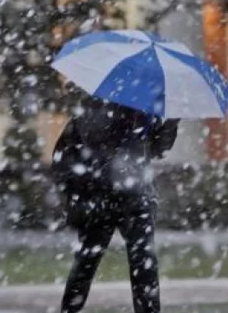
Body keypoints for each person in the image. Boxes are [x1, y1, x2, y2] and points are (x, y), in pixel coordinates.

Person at [53, 97, 180, 313]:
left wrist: (171, 122)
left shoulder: (145, 110)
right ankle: (69, 309)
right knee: (87, 260)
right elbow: (71, 153)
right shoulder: (94, 107)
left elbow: (158, 149)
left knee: (144, 262)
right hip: (100, 197)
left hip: (136, 197)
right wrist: (83, 191)